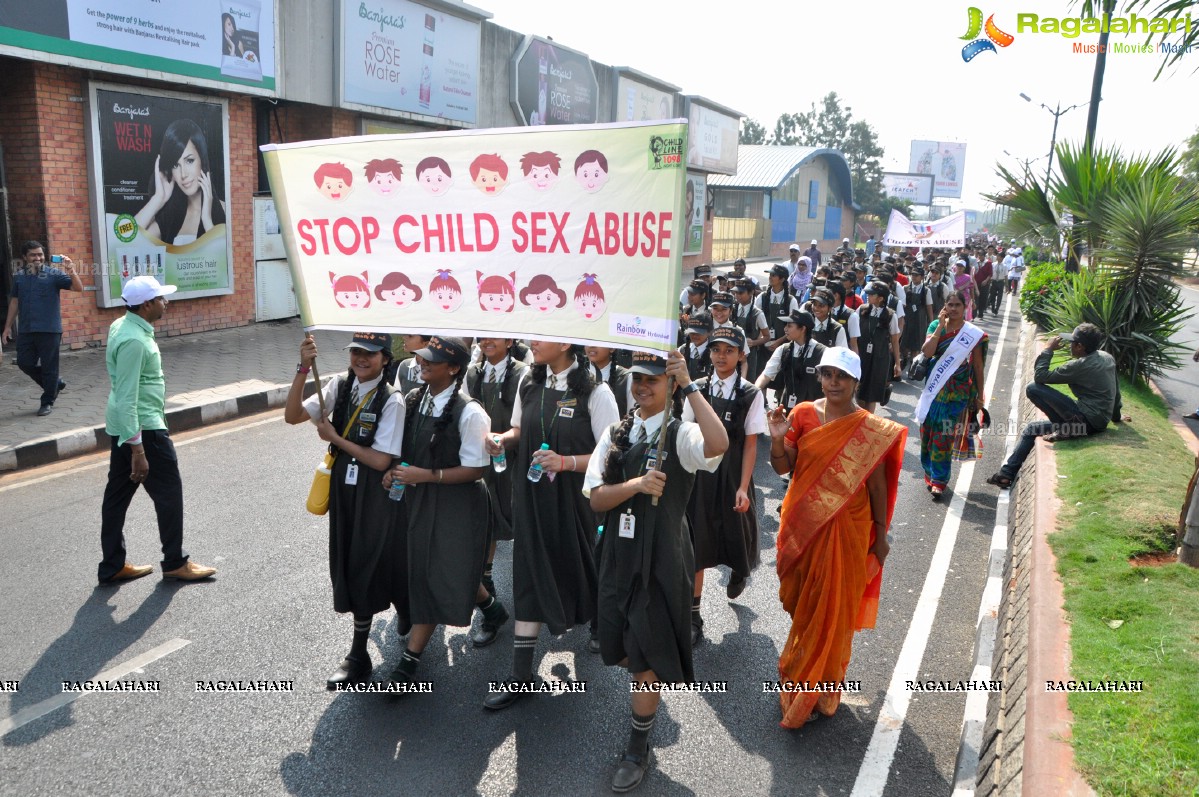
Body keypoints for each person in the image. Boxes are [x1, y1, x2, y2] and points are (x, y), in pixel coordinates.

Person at [585, 350, 727, 791]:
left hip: (662, 558)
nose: (643, 387)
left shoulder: (682, 433)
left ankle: (637, 745)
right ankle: (647, 700)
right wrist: (635, 485)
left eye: (653, 380)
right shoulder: (615, 433)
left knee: (645, 654)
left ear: (669, 388)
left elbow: (718, 445)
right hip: (617, 555)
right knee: (621, 648)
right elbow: (595, 498)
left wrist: (690, 384)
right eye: (638, 380)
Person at [767, 347, 906, 728]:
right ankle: (800, 672)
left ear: (855, 382)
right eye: (828, 375)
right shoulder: (803, 414)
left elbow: (877, 486)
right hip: (804, 523)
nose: (833, 383)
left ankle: (817, 690)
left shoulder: (869, 427)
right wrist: (778, 439)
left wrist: (881, 535)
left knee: (834, 609)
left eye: (841, 377)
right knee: (806, 605)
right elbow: (784, 467)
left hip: (850, 527)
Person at [482, 342, 620, 710]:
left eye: (540, 337)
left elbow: (611, 455)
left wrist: (565, 462)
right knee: (528, 571)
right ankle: (521, 676)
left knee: (579, 563)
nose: (532, 343)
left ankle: (597, 622)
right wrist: (500, 440)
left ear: (564, 342)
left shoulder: (596, 391)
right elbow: (516, 430)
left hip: (577, 501)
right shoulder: (529, 379)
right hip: (529, 497)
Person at [285, 330, 404, 686]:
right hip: (344, 490)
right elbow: (292, 416)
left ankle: (358, 654)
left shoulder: (392, 400)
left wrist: (336, 439)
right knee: (347, 563)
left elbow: (382, 460)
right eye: (355, 352)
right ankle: (402, 612)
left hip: (375, 494)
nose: (361, 359)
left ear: (385, 358)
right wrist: (303, 368)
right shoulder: (339, 384)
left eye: (370, 353)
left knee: (365, 566)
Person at [383, 336, 497, 687]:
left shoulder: (471, 412)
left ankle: (408, 663)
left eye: (432, 360)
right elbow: (407, 450)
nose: (422, 363)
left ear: (453, 369)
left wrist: (426, 475)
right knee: (442, 571)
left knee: (437, 575)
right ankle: (493, 609)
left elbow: (477, 470)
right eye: (422, 358)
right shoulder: (416, 399)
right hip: (421, 500)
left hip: (458, 506)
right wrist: (395, 472)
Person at [98, 276, 216, 585]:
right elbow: (127, 396)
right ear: (147, 304)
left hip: (128, 426)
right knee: (169, 494)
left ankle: (112, 565)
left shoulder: (123, 325)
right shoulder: (135, 341)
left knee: (117, 496)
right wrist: (138, 450)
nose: (167, 302)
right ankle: (175, 562)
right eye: (162, 298)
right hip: (144, 429)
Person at [686, 326, 764, 645]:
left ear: (741, 355)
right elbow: (687, 433)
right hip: (702, 476)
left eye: (729, 350)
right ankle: (693, 617)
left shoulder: (750, 393)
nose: (721, 356)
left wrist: (743, 486)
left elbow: (749, 443)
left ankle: (740, 571)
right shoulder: (697, 390)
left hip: (733, 475)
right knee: (696, 545)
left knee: (737, 534)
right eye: (716, 350)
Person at [988, 324, 1124, 489]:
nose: (1069, 345)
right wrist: (1116, 417)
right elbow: (1115, 392)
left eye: (1072, 342)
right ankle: (1006, 474)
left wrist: (1048, 350)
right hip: (1098, 422)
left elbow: (1040, 376)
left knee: (1033, 388)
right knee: (1032, 428)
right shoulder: (1107, 357)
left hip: (1083, 422)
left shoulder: (1080, 366)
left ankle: (1063, 429)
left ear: (1080, 346)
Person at [464, 337, 528, 646]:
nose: (488, 340)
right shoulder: (472, 374)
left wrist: (502, 439)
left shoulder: (525, 374)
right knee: (483, 526)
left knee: (524, 530)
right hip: (480, 465)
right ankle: (489, 605)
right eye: (483, 334)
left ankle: (542, 605)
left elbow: (526, 425)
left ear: (510, 339)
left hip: (517, 466)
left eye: (496, 334)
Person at [917, 292, 988, 500]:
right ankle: (929, 473)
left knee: (943, 437)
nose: (954, 308)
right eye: (950, 304)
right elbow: (928, 353)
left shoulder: (972, 334)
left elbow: (977, 366)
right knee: (927, 434)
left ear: (965, 307)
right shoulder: (934, 326)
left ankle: (939, 480)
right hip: (933, 390)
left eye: (958, 305)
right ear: (945, 306)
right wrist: (940, 326)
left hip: (957, 392)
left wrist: (979, 396)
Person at [2, 240, 82, 416]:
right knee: (24, 362)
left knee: (49, 367)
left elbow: (78, 288)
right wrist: (7, 327)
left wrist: (71, 269)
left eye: (40, 254)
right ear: (25, 257)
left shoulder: (54, 274)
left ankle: (47, 401)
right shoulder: (19, 277)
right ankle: (54, 384)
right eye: (33, 255)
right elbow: (14, 302)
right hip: (26, 329)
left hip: (49, 329)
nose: (38, 258)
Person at [134, 119, 227, 245]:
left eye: (189, 161)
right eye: (175, 165)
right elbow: (124, 240)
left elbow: (225, 257)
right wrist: (158, 199)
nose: (183, 174)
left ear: (202, 159)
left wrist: (207, 220)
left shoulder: (226, 211)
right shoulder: (171, 215)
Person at [756, 310, 826, 413]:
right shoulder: (783, 349)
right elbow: (766, 375)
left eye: (789, 326)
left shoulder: (822, 352)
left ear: (803, 329)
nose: (785, 329)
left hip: (814, 411)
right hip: (787, 409)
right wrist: (754, 391)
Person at [856, 282, 902, 414]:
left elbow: (894, 339)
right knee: (859, 393)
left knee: (872, 394)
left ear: (881, 298)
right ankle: (860, 417)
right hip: (862, 357)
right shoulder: (862, 310)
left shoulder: (890, 315)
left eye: (871, 294)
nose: (867, 296)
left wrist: (897, 364)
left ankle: (868, 422)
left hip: (880, 358)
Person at [731, 279, 770, 380]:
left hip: (749, 357)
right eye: (735, 293)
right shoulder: (732, 309)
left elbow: (767, 336)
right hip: (731, 353)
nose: (737, 296)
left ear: (751, 292)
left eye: (741, 293)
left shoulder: (758, 314)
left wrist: (754, 342)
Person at [899, 267, 934, 370]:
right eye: (912, 274)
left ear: (922, 277)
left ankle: (912, 368)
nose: (913, 277)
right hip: (906, 321)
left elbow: (929, 307)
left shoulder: (926, 291)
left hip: (919, 321)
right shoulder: (905, 288)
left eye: (916, 275)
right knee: (904, 345)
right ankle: (904, 359)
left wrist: (931, 323)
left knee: (916, 346)